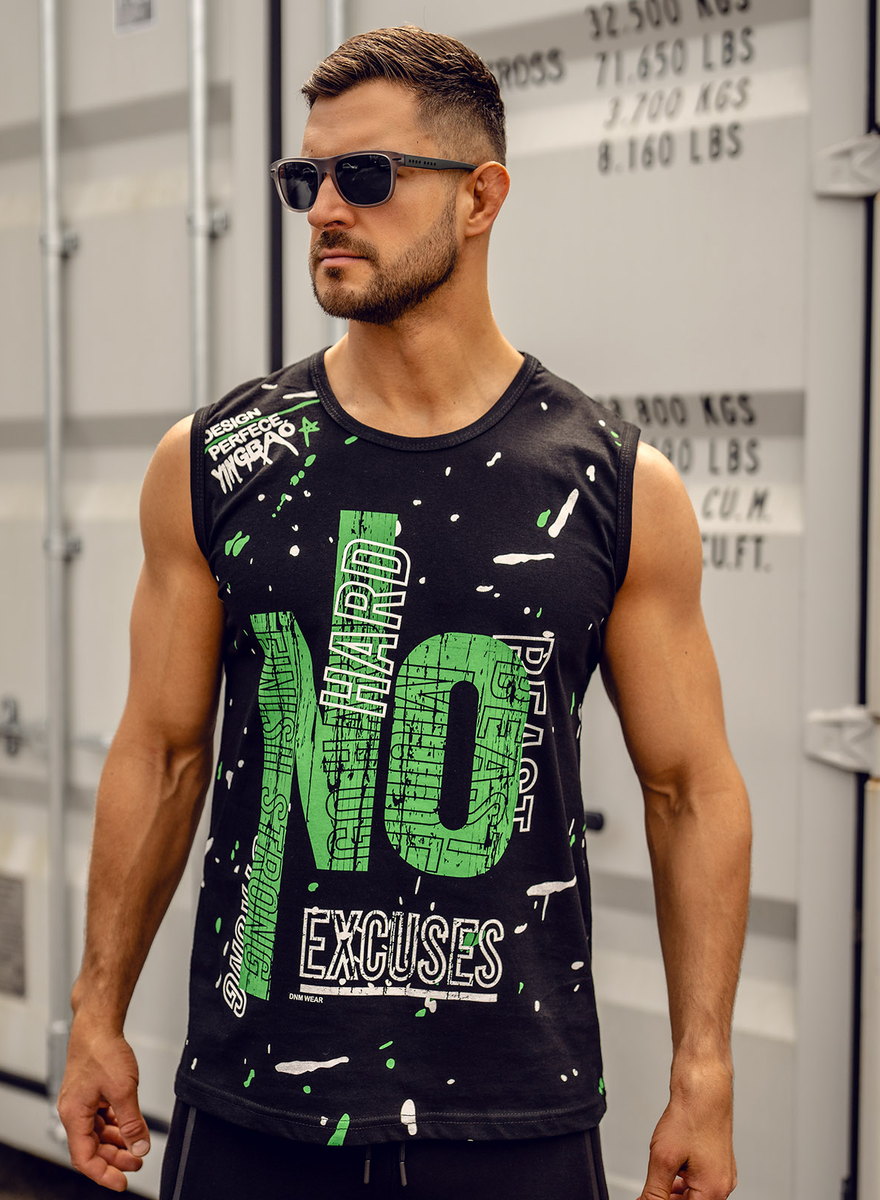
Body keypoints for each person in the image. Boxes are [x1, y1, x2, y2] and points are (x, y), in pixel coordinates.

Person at [57, 25, 751, 1200]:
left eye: (368, 175)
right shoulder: (217, 460)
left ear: (481, 198)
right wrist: (95, 1012)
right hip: (257, 1105)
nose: (327, 208)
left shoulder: (614, 485)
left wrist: (705, 1070)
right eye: (306, 179)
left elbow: (692, 790)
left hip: (513, 1116)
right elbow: (162, 755)